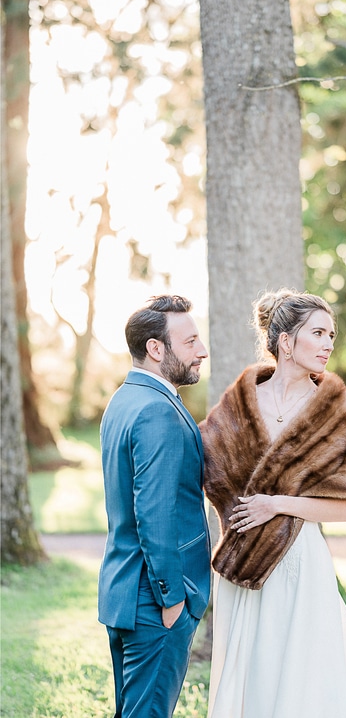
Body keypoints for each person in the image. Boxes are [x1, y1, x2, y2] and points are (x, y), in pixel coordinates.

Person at [200, 289, 346, 717]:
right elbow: (209, 472)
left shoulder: (335, 413)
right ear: (286, 342)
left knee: (302, 675)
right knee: (251, 671)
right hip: (243, 560)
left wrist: (277, 504)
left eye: (332, 334)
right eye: (318, 332)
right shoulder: (239, 403)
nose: (330, 343)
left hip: (299, 562)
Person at [98, 294, 212, 718]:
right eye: (191, 341)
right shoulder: (157, 411)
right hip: (155, 600)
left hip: (124, 590)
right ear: (156, 348)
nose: (202, 351)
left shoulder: (124, 400)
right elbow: (155, 513)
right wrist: (173, 600)